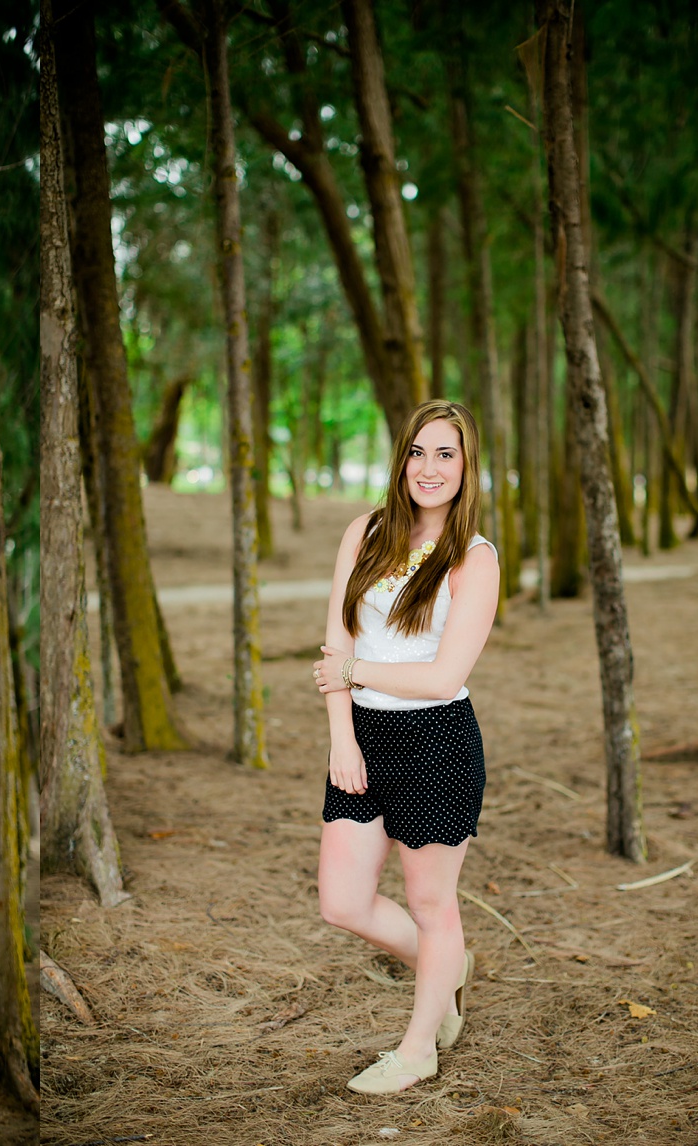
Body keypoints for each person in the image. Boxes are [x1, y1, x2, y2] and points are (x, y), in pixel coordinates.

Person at [310, 399, 498, 1095]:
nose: (429, 467)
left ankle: (419, 1048)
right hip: (360, 739)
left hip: (437, 743)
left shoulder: (473, 560)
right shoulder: (366, 531)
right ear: (402, 459)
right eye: (418, 452)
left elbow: (445, 676)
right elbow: (337, 640)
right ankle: (448, 965)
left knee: (431, 904)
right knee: (343, 902)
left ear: (465, 466)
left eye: (446, 454)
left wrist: (352, 674)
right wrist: (342, 738)